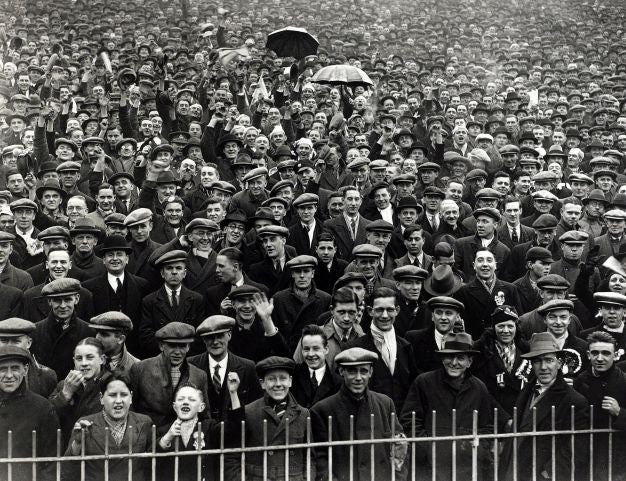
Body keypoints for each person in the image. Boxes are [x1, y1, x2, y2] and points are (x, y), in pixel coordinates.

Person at [400, 332, 496, 481]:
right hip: (429, 468)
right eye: (449, 357)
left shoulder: (479, 388)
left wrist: (475, 447)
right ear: (442, 358)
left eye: (461, 358)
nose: (454, 362)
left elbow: (487, 428)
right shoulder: (424, 382)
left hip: (467, 468)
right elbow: (409, 421)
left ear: (469, 362)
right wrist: (428, 448)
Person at [502, 332, 589, 481]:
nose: (543, 367)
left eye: (549, 360)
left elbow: (575, 449)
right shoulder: (526, 391)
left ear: (560, 363)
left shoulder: (574, 400)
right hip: (516, 468)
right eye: (537, 361)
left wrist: (548, 473)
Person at [311, 348, 407, 481]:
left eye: (363, 371)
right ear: (341, 372)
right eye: (351, 371)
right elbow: (321, 461)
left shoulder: (385, 403)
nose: (358, 378)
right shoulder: (322, 410)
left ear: (371, 372)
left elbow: (399, 447)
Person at [225, 356, 309, 481]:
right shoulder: (249, 412)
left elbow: (310, 457)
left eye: (283, 378)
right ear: (262, 383)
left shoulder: (303, 414)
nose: (278, 384)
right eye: (271, 379)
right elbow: (232, 456)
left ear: (290, 381)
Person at [64, 374, 153, 481]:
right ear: (101, 398)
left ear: (131, 397)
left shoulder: (144, 422)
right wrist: (77, 444)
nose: (119, 401)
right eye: (112, 395)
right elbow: (68, 469)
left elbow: (153, 464)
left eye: (124, 395)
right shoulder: (86, 424)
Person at [346, 287, 418, 413]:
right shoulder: (354, 348)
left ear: (397, 311)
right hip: (369, 419)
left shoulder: (405, 346)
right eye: (379, 310)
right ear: (370, 311)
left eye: (390, 310)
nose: (385, 316)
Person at [130, 323, 208, 435]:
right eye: (172, 345)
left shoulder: (199, 375)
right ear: (161, 346)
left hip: (183, 440)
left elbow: (204, 415)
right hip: (148, 438)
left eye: (182, 346)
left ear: (188, 347)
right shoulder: (140, 369)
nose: (177, 352)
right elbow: (132, 409)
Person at [0, 345, 60, 481]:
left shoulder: (43, 408)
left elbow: (51, 463)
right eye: (3, 369)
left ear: (25, 370)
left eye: (15, 368)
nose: (9, 375)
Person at [188, 315, 263, 421]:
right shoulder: (191, 365)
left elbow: (256, 404)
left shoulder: (247, 367)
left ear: (229, 335)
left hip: (234, 432)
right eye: (210, 337)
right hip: (201, 432)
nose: (215, 342)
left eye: (219, 336)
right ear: (204, 340)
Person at [82, 235, 149, 353]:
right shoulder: (89, 287)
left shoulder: (142, 286)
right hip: (102, 350)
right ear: (103, 260)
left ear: (127, 259)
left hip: (135, 351)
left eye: (119, 254)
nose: (115, 258)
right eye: (110, 255)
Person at [574, 331, 626, 481]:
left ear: (615, 356)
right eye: (595, 353)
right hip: (586, 453)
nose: (600, 358)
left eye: (606, 353)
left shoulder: (623, 381)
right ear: (588, 354)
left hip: (616, 456)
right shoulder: (581, 380)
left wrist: (619, 412)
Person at [139, 250, 204, 357]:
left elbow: (200, 335)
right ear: (162, 273)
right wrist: (167, 351)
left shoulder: (197, 299)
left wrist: (183, 351)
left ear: (185, 273)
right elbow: (145, 336)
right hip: (160, 358)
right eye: (169, 268)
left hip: (189, 358)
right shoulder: (149, 301)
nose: (174, 272)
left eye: (178, 268)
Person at [49, 337, 110, 444]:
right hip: (70, 449)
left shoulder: (111, 383)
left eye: (90, 357)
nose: (84, 363)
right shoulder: (64, 384)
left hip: (100, 448)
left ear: (102, 359)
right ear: (74, 361)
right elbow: (48, 417)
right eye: (79, 358)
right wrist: (65, 394)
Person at [30, 278, 95, 379]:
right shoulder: (35, 331)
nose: (63, 306)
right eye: (57, 300)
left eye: (68, 299)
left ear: (77, 299)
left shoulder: (89, 331)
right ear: (49, 302)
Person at [472, 306, 529, 417]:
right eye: (501, 326)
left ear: (516, 327)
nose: (506, 331)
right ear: (494, 327)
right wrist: (504, 419)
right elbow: (481, 391)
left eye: (510, 326)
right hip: (493, 415)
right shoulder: (483, 351)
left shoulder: (526, 349)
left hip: (521, 415)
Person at [453, 248, 522, 338]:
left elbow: (518, 321)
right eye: (480, 260)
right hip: (477, 343)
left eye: (489, 260)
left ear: (495, 265)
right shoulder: (463, 291)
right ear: (474, 265)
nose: (485, 264)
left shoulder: (510, 289)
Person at [271, 255, 332, 350]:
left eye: (306, 271)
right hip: (287, 354)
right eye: (298, 271)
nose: (302, 276)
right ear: (292, 274)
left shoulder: (325, 299)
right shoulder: (279, 299)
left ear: (312, 274)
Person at [226, 285, 290, 362]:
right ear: (233, 304)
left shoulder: (266, 328)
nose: (247, 306)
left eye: (251, 300)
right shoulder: (226, 329)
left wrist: (267, 320)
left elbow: (285, 357)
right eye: (242, 301)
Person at [0, 317, 57, 397]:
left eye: (16, 341)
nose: (10, 347)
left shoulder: (46, 376)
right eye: (4, 341)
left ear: (29, 343)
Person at [204, 247, 268, 315]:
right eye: (217, 266)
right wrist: (221, 312)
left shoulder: (261, 291)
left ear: (235, 267)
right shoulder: (212, 294)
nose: (217, 270)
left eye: (221, 266)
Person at [290, 324, 341, 408]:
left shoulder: (338, 382)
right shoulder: (294, 375)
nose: (311, 354)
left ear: (326, 349)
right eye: (306, 349)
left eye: (316, 348)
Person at [89, 312, 139, 376]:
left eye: (104, 334)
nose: (97, 338)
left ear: (121, 339)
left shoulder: (136, 367)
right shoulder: (86, 360)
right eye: (97, 332)